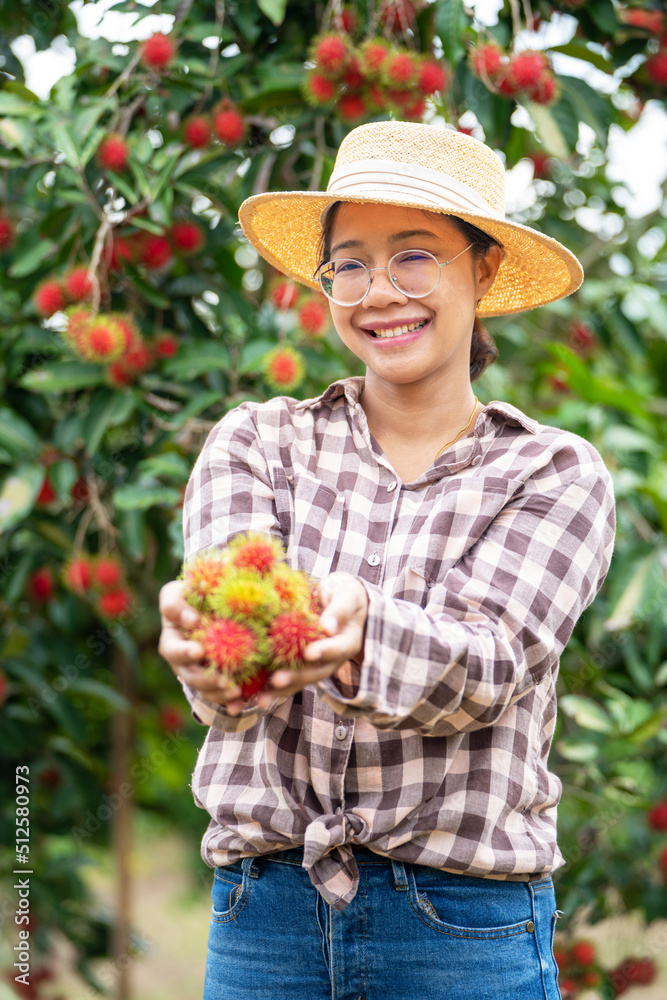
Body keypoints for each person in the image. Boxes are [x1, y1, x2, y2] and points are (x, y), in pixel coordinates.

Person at [158, 120, 615, 1000]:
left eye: (415, 257)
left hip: (462, 930)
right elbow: (231, 654)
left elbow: (487, 663)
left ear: (482, 270)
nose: (379, 293)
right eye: (351, 264)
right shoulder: (256, 443)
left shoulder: (552, 472)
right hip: (263, 921)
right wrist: (208, 659)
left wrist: (359, 629)